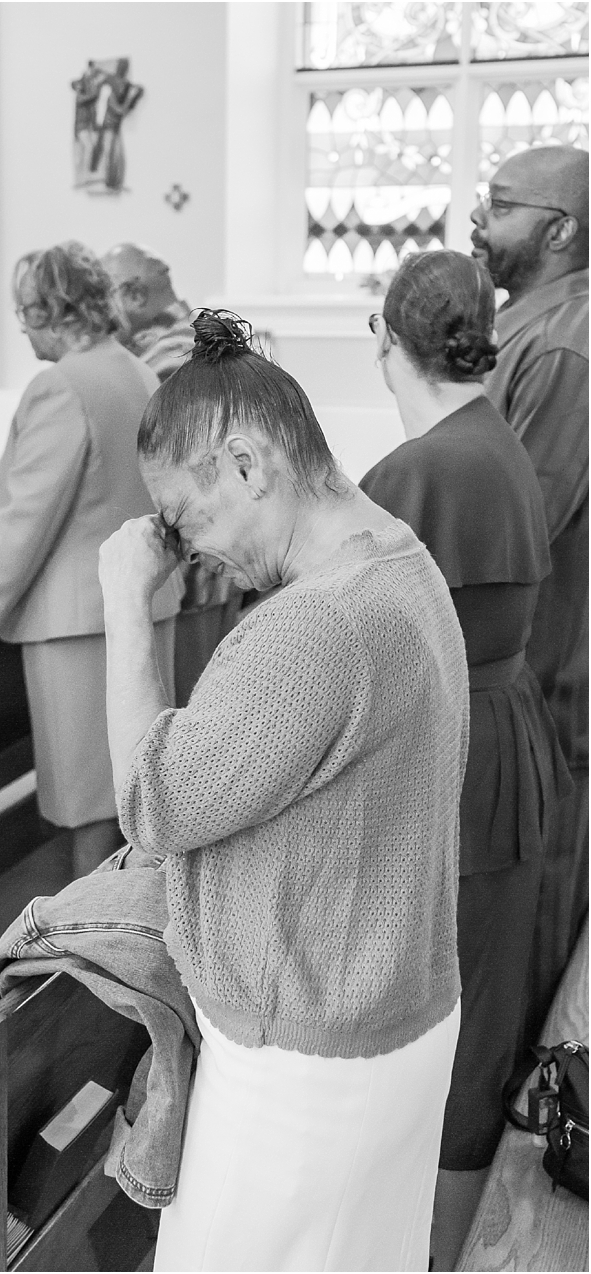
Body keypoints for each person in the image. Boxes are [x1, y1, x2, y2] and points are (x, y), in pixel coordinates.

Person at [101, 309, 465, 1270]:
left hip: (306, 1060)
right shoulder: (401, 558)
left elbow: (152, 806)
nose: (196, 549)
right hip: (392, 1022)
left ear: (247, 463)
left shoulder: (315, 629)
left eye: (188, 518)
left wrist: (123, 610)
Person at [360, 248, 569, 1268]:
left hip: (451, 752)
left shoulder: (415, 468)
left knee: (432, 1017)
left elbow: (328, 638)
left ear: (383, 340)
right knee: (475, 1005)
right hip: (504, 734)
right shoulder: (494, 442)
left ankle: (422, 1248)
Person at [0, 241, 182, 873]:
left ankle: (81, 952)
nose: (21, 328)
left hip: (78, 623)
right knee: (128, 788)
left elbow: (30, 517)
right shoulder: (133, 369)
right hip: (143, 602)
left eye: (25, 312)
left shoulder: (61, 386)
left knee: (90, 804)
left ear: (54, 310)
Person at [471, 143, 589, 1055]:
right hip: (521, 675)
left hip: (545, 677)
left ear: (560, 230)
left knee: (537, 896)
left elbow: (519, 531)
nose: (478, 216)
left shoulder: (562, 346)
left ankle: (529, 1079)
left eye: (500, 203)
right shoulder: (532, 326)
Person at [106, 241, 239, 704]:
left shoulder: (169, 359)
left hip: (195, 564)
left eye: (108, 295)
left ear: (136, 297)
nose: (101, 313)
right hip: (225, 559)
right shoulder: (197, 337)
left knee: (188, 710)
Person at [104, 241, 197, 380]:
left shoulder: (171, 355)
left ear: (136, 296)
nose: (103, 309)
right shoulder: (201, 330)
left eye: (106, 295)